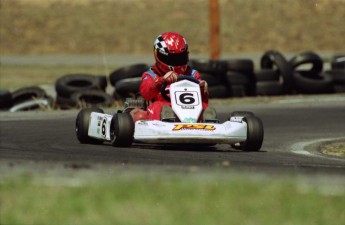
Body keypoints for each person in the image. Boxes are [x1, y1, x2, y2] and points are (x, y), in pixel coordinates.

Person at [136, 32, 213, 121]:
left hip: (191, 111)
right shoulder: (151, 75)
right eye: (173, 59)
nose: (177, 63)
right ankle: (166, 120)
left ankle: (210, 123)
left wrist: (203, 91)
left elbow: (203, 101)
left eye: (180, 58)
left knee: (204, 106)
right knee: (157, 107)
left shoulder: (193, 74)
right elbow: (146, 95)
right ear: (159, 55)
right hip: (164, 110)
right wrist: (161, 81)